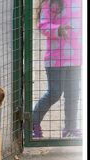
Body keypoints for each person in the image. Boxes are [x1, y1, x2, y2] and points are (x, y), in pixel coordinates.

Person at [32, 0, 82, 138]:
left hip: (76, 57)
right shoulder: (50, 3)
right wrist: (58, 29)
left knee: (73, 94)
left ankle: (70, 128)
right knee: (54, 93)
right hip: (56, 58)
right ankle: (33, 121)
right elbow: (42, 25)